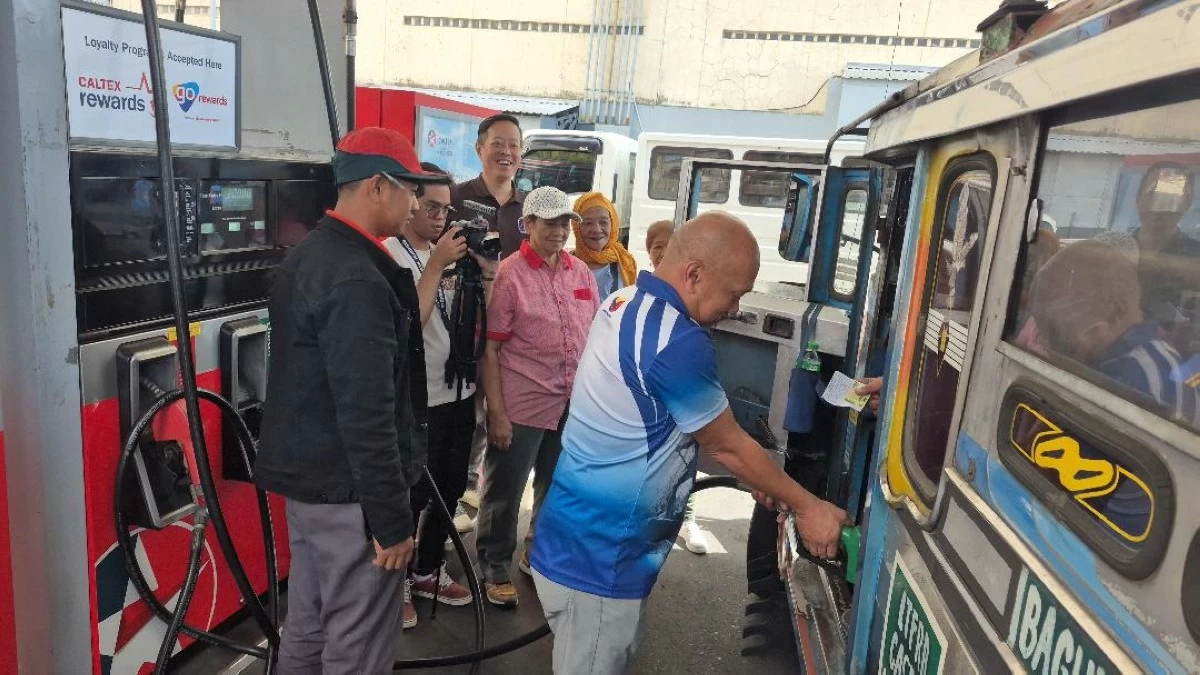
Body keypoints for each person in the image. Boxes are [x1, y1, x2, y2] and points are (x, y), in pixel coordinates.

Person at [529, 212, 849, 674]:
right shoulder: (675, 339)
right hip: (600, 558)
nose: (735, 308)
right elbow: (726, 445)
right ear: (694, 274)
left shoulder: (624, 300)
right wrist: (808, 506)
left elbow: (662, 424)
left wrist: (765, 481)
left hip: (573, 537)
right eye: (734, 293)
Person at [255, 127, 442, 674]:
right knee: (358, 645)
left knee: (309, 626)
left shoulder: (312, 253)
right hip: (352, 497)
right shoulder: (358, 278)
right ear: (378, 186)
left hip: (313, 491)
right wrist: (391, 520)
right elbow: (367, 414)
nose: (415, 204)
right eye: (410, 189)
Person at [476, 186, 600, 608]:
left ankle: (537, 554)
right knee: (504, 491)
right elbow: (491, 350)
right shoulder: (510, 274)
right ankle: (494, 564)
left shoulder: (580, 272)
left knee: (557, 484)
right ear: (528, 224)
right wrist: (496, 411)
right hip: (522, 403)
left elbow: (595, 335)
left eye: (565, 223)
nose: (560, 231)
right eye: (550, 223)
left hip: (570, 402)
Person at [382, 162, 476, 628]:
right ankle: (395, 584)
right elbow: (408, 327)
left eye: (447, 209)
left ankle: (427, 569)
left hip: (461, 387)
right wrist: (437, 264)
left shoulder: (456, 252)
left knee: (452, 487)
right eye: (432, 207)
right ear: (410, 203)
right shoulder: (390, 254)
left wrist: (484, 272)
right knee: (414, 493)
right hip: (420, 398)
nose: (441, 217)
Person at [1030, 240, 1199, 427]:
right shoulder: (1145, 354)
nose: (1044, 343)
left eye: (1057, 333)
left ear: (1115, 313)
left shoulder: (1132, 377)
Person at [643, 220, 708, 554]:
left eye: (670, 246)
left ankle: (686, 517)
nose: (663, 253)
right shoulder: (640, 290)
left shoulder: (694, 298)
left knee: (684, 456)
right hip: (647, 396)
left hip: (678, 394)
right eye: (657, 246)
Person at [1128, 162, 1200, 352]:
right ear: (1138, 198)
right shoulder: (1113, 251)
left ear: (1187, 204)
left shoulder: (1196, 259)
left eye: (1171, 198)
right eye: (1154, 194)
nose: (1160, 208)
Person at [452, 113, 527, 260]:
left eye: (513, 145)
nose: (506, 152)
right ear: (479, 149)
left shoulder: (531, 207)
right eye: (497, 144)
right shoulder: (455, 197)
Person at [571, 191, 638, 297]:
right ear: (576, 227)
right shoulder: (565, 265)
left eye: (603, 222)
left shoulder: (625, 262)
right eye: (588, 223)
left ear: (613, 224)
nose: (597, 230)